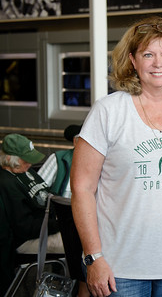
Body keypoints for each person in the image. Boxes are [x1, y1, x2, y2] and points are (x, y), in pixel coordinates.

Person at [71, 16, 162, 297]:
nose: (158, 63)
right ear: (133, 60)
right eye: (148, 54)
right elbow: (82, 188)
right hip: (120, 267)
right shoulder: (109, 111)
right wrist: (93, 258)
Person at [0, 133, 61, 295]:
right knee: (78, 244)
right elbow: (24, 227)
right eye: (25, 159)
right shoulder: (7, 183)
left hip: (49, 224)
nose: (30, 163)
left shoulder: (25, 171)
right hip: (33, 236)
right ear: (9, 159)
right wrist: (60, 224)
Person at [38, 124, 90, 297]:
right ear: (75, 141)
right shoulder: (59, 158)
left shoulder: (98, 160)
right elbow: (40, 189)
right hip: (61, 218)